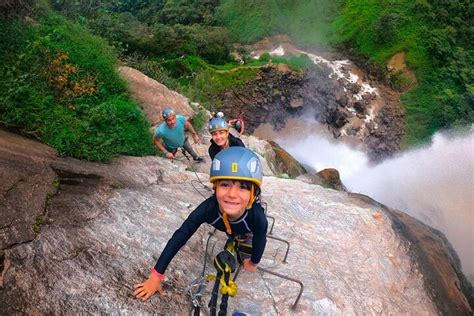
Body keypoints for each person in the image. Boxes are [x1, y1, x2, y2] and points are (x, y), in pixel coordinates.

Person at [134, 147, 268, 301]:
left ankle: (242, 240)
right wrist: (156, 275)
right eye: (225, 185)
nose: (232, 194)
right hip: (230, 225)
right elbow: (181, 235)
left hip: (247, 229)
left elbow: (260, 238)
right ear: (215, 187)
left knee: (246, 253)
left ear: (253, 194)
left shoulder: (257, 217)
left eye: (243, 187)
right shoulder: (207, 209)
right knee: (237, 237)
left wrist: (254, 261)